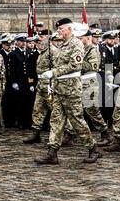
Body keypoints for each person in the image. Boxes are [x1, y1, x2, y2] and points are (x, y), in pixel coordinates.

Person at [35, 18, 101, 164]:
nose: (59, 31)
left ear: (70, 29)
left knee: (77, 120)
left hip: (71, 89)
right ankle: (52, 153)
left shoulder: (76, 44)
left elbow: (75, 66)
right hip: (60, 88)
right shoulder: (63, 45)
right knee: (56, 120)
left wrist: (54, 72)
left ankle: (93, 148)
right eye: (58, 29)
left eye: (61, 29)